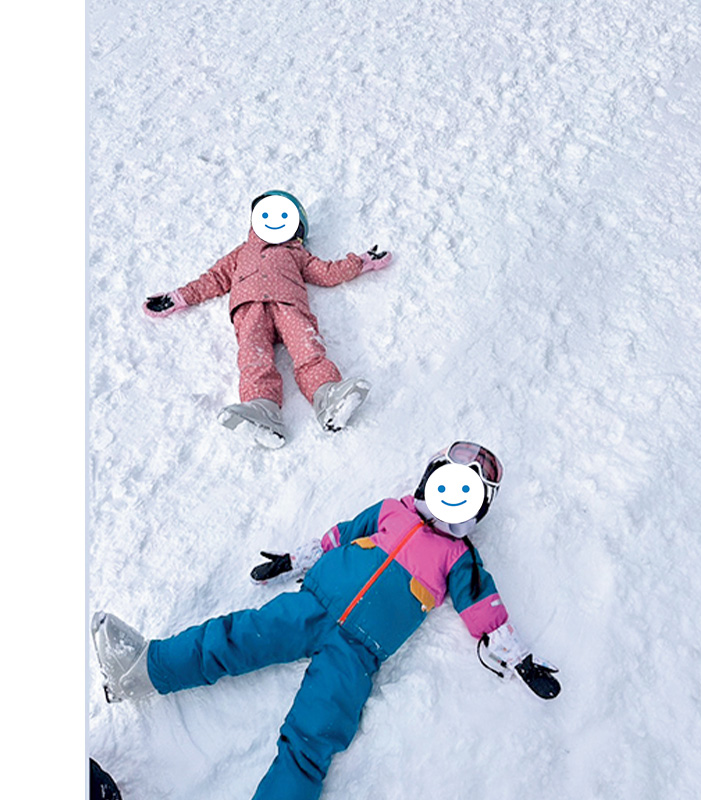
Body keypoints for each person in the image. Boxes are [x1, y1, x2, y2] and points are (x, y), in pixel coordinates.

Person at [92, 442, 560, 800]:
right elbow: (338, 536)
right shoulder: (389, 511)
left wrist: (520, 659)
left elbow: (484, 606)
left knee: (315, 733)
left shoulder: (460, 559)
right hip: (311, 605)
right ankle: (144, 669)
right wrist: (292, 561)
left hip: (358, 651)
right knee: (233, 637)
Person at [142, 190, 392, 447]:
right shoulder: (241, 253)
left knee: (308, 350)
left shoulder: (296, 253)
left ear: (297, 229)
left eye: (283, 215)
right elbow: (214, 279)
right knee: (254, 357)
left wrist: (360, 262)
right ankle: (263, 409)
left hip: (289, 305)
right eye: (267, 214)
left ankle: (329, 397)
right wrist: (178, 297)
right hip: (249, 310)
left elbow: (326, 273)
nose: (274, 220)